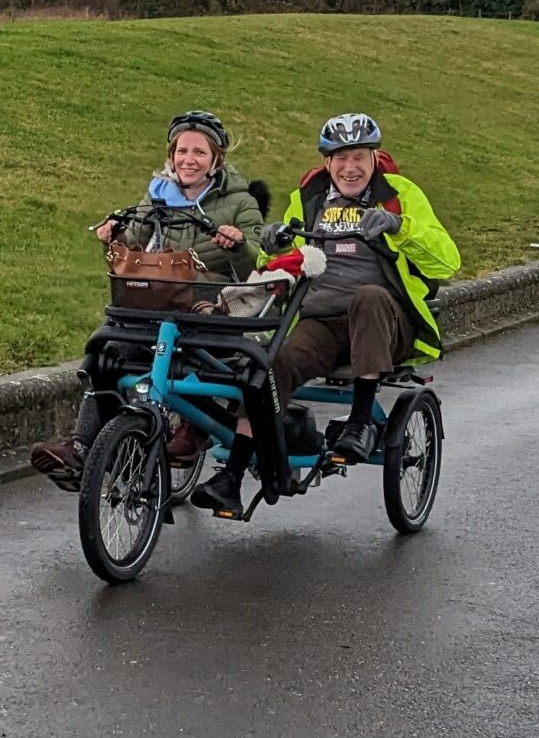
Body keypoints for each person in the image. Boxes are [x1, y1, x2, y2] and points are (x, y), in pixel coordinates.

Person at [190, 112, 461, 516]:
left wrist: (398, 226)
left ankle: (360, 422)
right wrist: (272, 241)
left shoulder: (399, 193)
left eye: (358, 158)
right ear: (326, 161)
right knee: (269, 365)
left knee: (368, 297)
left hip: (387, 320)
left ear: (374, 156)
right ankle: (231, 475)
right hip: (320, 319)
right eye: (340, 159)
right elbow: (282, 259)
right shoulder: (311, 194)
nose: (349, 168)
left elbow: (446, 262)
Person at [31, 111, 265, 490]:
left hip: (209, 308)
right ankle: (82, 446)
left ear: (216, 159)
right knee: (105, 351)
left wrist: (237, 243)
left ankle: (194, 429)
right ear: (172, 156)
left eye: (199, 153)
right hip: (157, 302)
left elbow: (259, 260)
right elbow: (134, 240)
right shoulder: (158, 194)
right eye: (181, 151)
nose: (188, 160)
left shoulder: (239, 201)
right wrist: (114, 235)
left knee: (201, 365)